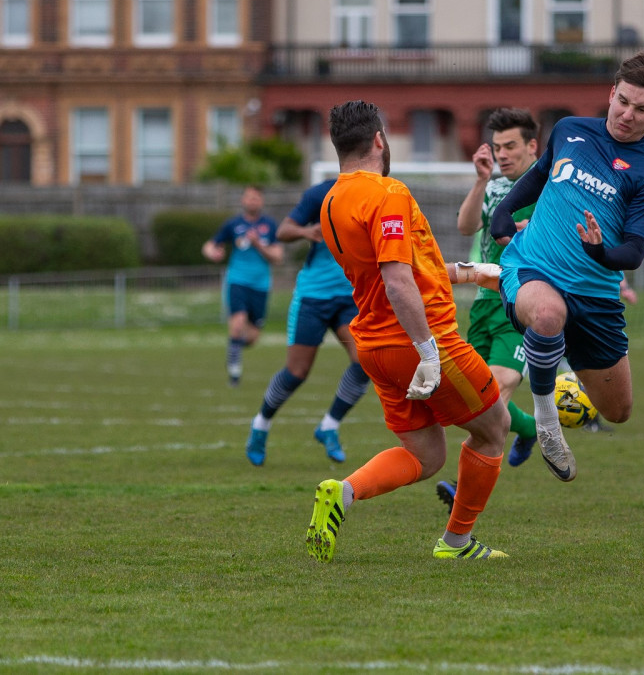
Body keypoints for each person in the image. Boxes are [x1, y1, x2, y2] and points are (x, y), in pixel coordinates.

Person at [306, 99, 511, 561]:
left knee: (426, 456)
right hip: (421, 340)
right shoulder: (388, 193)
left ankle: (345, 492)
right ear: (380, 138)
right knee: (493, 428)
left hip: (375, 346)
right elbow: (398, 280)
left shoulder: (331, 201)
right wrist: (430, 352)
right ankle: (455, 542)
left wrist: (467, 272)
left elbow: (400, 269)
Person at [489, 51, 644, 482]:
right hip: (533, 267)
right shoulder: (570, 130)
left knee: (619, 410)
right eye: (623, 101)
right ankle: (546, 423)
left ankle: (559, 369)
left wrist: (600, 253)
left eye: (642, 108)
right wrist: (507, 208)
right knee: (549, 315)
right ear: (611, 93)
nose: (628, 114)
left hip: (594, 296)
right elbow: (539, 173)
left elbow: (633, 253)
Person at [244, 179, 371, 466]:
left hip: (350, 298)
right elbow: (283, 231)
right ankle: (260, 425)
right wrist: (307, 231)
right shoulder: (321, 193)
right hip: (313, 296)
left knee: (366, 360)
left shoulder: (377, 193)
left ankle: (329, 426)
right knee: (297, 371)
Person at [455, 108, 540, 468]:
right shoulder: (493, 187)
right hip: (485, 300)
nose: (502, 153)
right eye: (496, 146)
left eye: (510, 146)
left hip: (522, 301)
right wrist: (479, 181)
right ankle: (530, 428)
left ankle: (465, 482)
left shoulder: (551, 186)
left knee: (498, 385)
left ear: (532, 146)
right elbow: (465, 227)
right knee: (472, 394)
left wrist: (535, 233)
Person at [201, 186, 284, 386]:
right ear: (242, 200)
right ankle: (234, 374)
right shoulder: (233, 224)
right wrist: (212, 253)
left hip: (261, 285)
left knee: (252, 337)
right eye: (249, 197)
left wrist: (258, 245)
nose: (252, 201)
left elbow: (278, 257)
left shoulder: (270, 225)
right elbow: (210, 245)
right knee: (237, 323)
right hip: (237, 280)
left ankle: (234, 347)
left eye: (256, 198)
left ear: (261, 201)